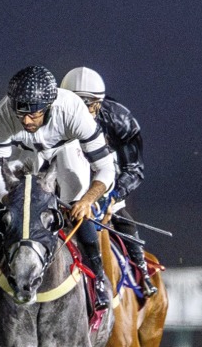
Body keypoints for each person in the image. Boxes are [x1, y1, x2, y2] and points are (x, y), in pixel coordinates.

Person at [0, 65, 117, 310]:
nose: (26, 120)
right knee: (4, 217)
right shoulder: (2, 116)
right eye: (21, 113)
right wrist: (13, 203)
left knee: (76, 197)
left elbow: (105, 169)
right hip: (22, 155)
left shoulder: (72, 111)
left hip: (64, 149)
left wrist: (87, 201)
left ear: (49, 105)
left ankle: (99, 280)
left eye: (33, 114)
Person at [61, 67, 158, 296]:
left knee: (123, 218)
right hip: (66, 181)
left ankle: (142, 272)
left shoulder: (119, 119)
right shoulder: (53, 116)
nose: (80, 112)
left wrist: (111, 197)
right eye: (74, 103)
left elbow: (134, 169)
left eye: (88, 104)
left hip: (106, 181)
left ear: (100, 103)